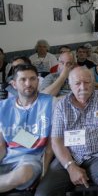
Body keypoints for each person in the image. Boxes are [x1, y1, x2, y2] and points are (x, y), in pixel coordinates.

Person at [35, 67, 98, 196]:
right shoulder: (61, 105)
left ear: (93, 82)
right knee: (43, 192)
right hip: (69, 156)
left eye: (87, 82)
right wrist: (70, 166)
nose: (83, 87)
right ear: (70, 85)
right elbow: (56, 141)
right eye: (78, 83)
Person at [0, 64, 54, 193]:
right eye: (23, 79)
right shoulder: (2, 107)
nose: (28, 83)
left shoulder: (51, 103)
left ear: (38, 81)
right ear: (14, 84)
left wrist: (44, 174)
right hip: (7, 159)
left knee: (23, 174)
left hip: (31, 160)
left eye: (33, 79)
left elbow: (51, 146)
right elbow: (1, 146)